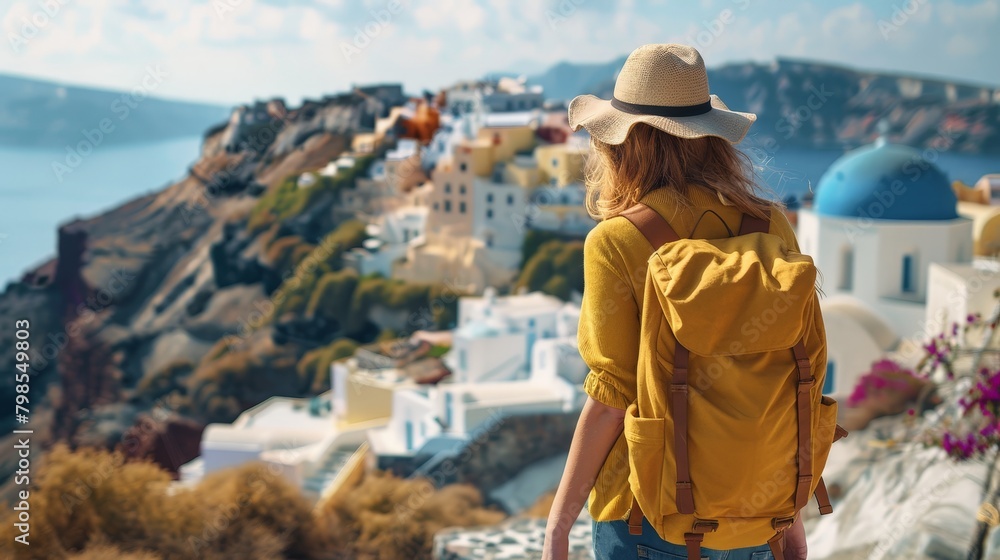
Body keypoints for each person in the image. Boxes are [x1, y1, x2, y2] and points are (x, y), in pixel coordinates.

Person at [542, 44, 810, 560]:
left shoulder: (618, 241)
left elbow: (611, 399)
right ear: (712, 137)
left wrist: (558, 525)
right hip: (755, 515)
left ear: (621, 143)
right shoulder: (769, 225)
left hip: (645, 514)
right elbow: (784, 375)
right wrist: (790, 515)